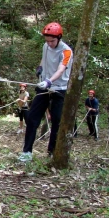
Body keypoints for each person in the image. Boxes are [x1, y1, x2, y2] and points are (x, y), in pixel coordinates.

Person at [18, 22, 73, 162]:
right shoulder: (46, 46)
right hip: (43, 87)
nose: (49, 44)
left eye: (52, 41)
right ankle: (27, 152)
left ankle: (52, 152)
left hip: (59, 89)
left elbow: (61, 69)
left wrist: (50, 81)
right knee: (31, 118)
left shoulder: (66, 51)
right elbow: (43, 59)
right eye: (47, 41)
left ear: (59, 38)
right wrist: (40, 68)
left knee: (57, 120)